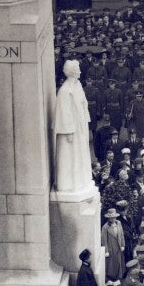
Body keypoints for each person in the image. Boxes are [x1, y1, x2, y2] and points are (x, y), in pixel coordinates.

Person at [54, 59, 94, 191]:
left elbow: (84, 103)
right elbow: (63, 112)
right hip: (71, 130)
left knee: (81, 153)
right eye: (77, 69)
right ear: (72, 72)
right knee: (71, 156)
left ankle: (81, 180)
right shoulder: (65, 91)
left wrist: (85, 120)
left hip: (80, 125)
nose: (80, 71)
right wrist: (69, 131)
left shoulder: (78, 86)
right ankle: (69, 184)